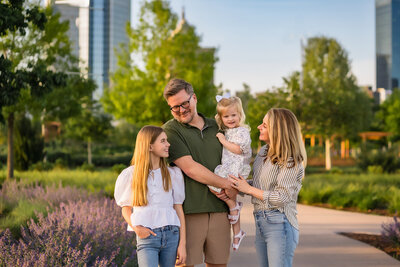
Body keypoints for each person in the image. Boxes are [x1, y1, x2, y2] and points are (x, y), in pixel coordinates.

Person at [162, 78, 236, 267]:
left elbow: (235, 158)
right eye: (175, 107)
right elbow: (190, 168)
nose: (181, 110)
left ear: (194, 98)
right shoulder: (171, 130)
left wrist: (237, 187)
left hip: (220, 209)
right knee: (184, 265)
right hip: (189, 212)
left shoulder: (218, 126)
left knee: (219, 264)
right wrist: (228, 185)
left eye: (184, 103)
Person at [230, 108, 306, 267]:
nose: (258, 127)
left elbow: (282, 198)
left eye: (264, 125)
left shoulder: (291, 160)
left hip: (280, 223)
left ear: (277, 130)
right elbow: (257, 185)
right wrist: (237, 185)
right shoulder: (264, 152)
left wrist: (248, 189)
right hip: (260, 221)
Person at [114, 125, 186, 267]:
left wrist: (182, 244)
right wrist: (136, 228)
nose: (168, 144)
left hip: (171, 234)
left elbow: (178, 209)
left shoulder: (173, 174)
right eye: (163, 141)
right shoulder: (131, 175)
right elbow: (125, 208)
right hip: (147, 237)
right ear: (150, 146)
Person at [208, 94, 251, 251]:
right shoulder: (226, 131)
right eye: (226, 116)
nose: (231, 119)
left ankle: (234, 210)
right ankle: (237, 230)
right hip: (227, 167)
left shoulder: (242, 131)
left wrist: (223, 141)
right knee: (212, 186)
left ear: (240, 115)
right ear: (221, 118)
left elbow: (239, 150)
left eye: (234, 115)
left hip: (236, 168)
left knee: (224, 190)